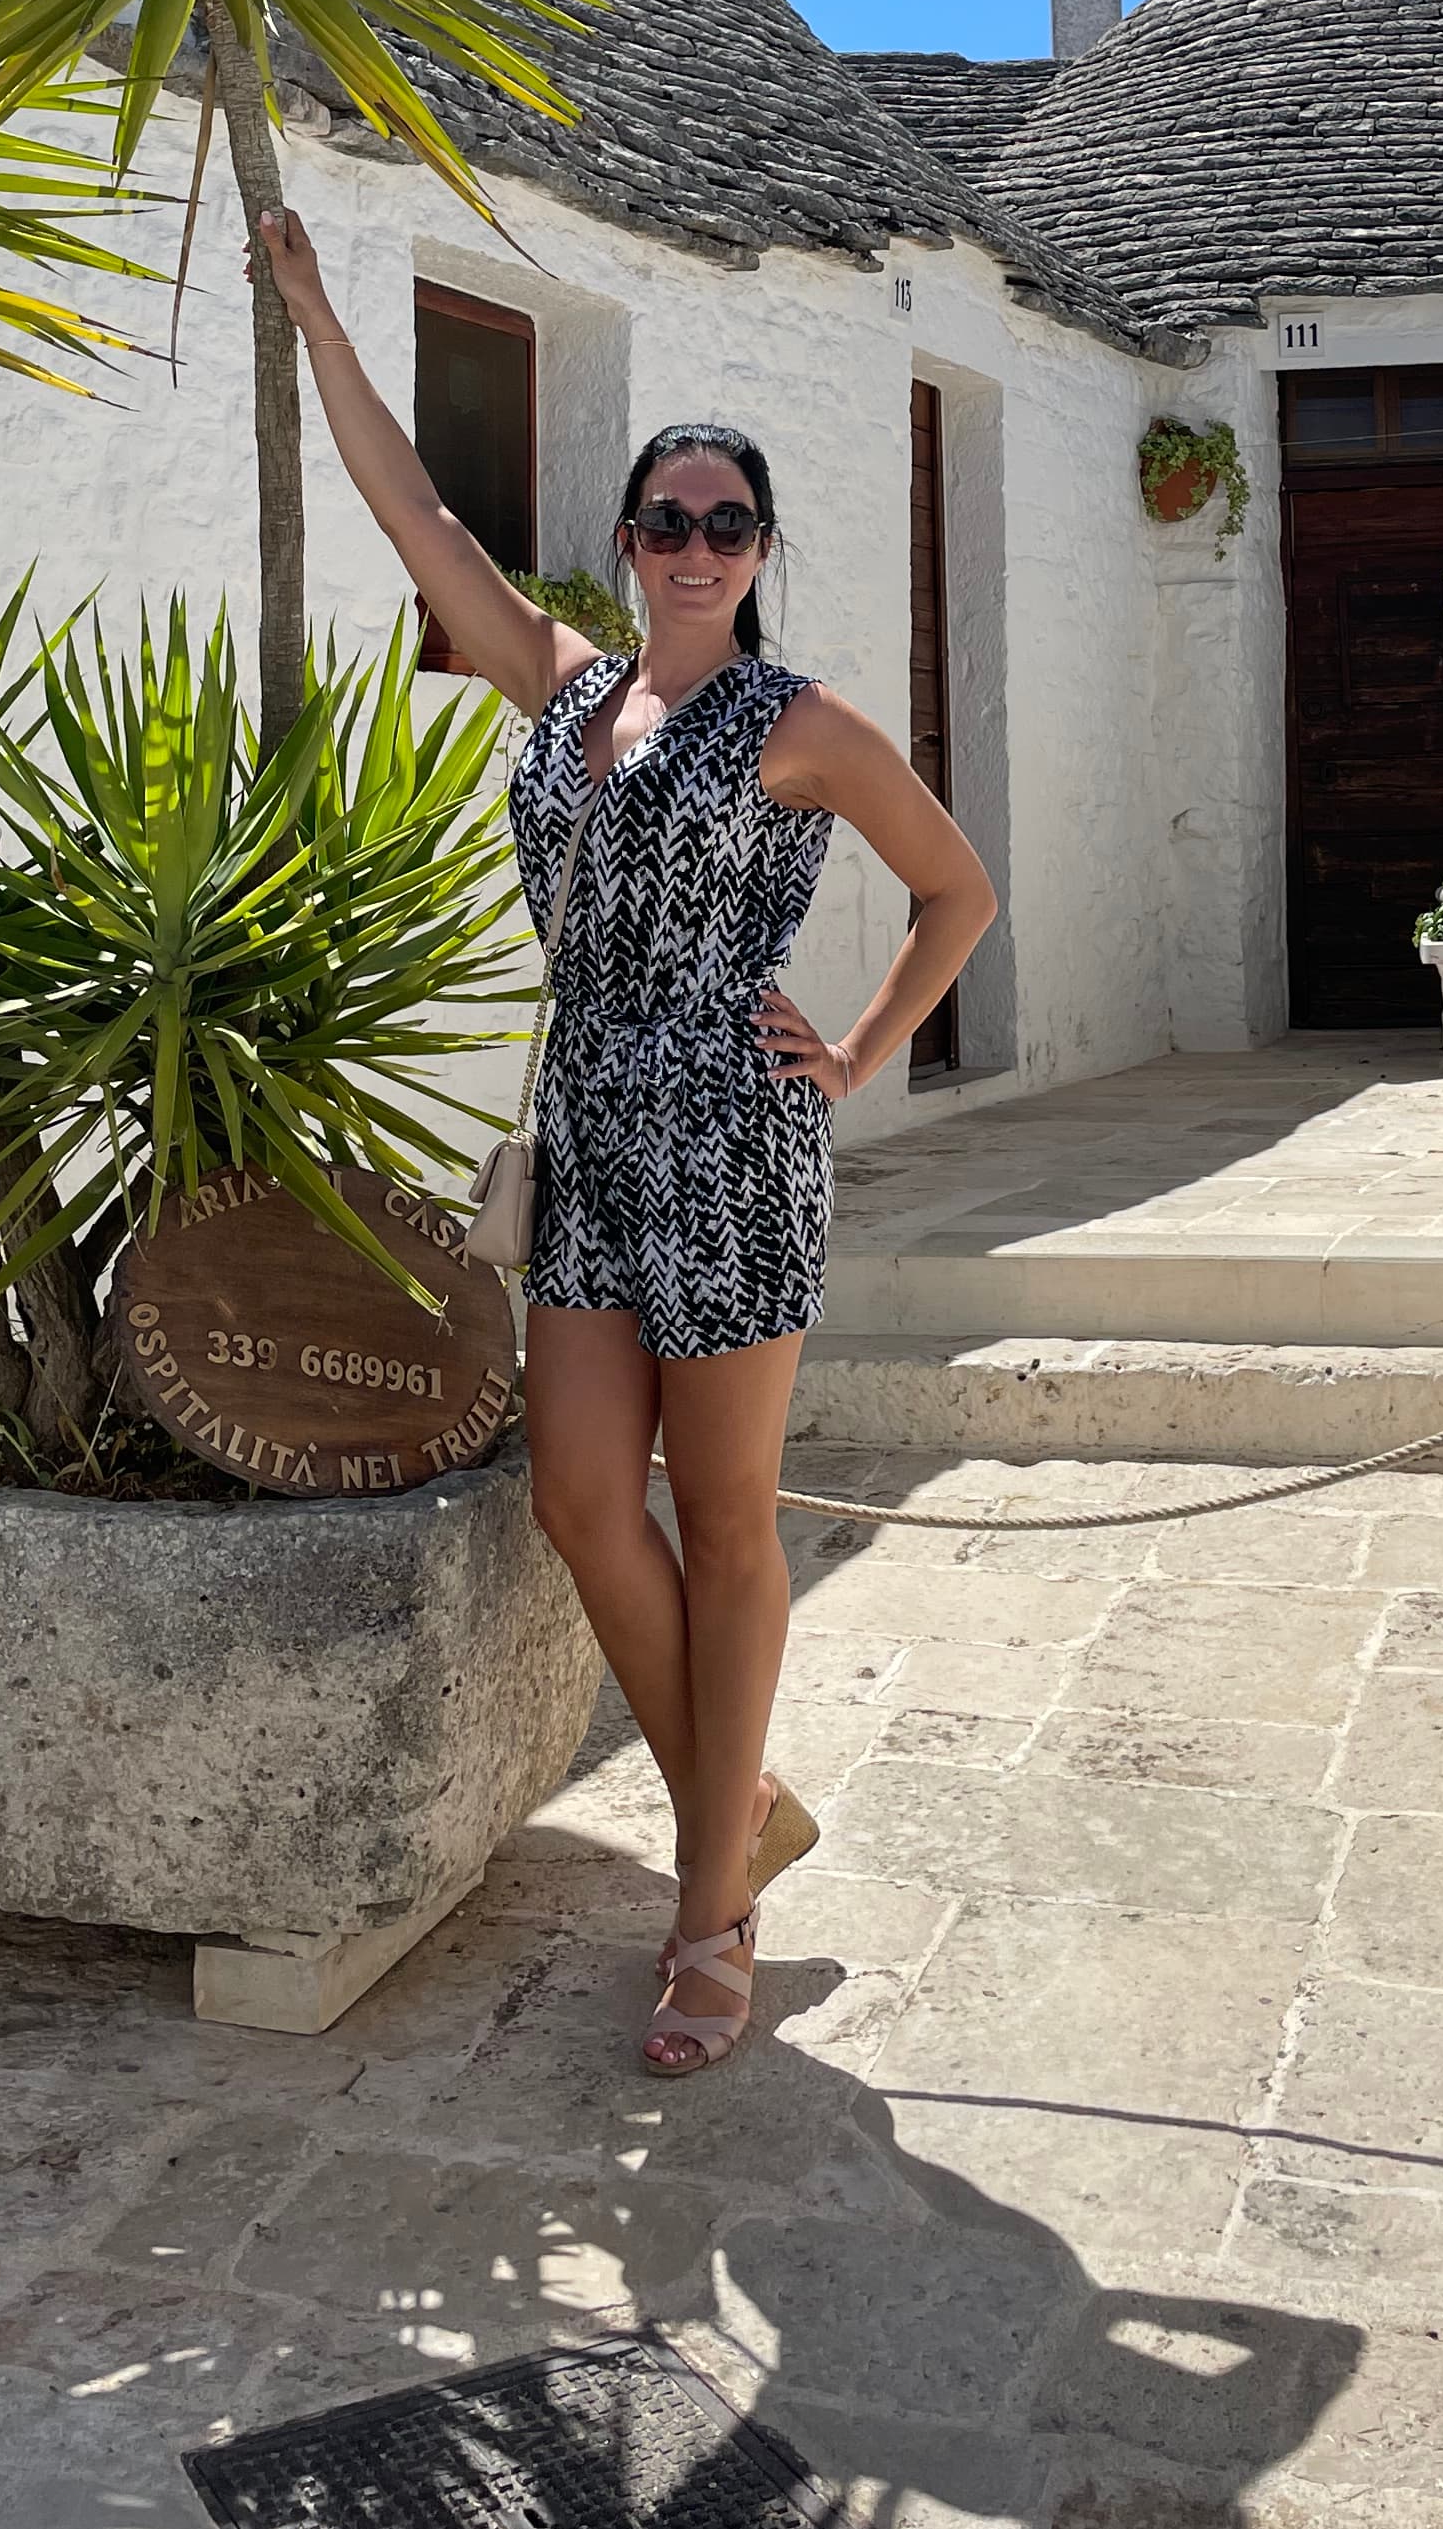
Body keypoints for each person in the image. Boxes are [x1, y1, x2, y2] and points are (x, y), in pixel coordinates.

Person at [254, 210, 996, 2072]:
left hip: (734, 1150)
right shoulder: (568, 684)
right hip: (586, 1133)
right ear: (623, 544)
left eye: (724, 524)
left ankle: (709, 1915)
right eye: (662, 521)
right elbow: (414, 515)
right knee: (582, 1499)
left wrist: (860, 1056)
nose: (691, 548)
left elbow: (957, 890)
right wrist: (318, 317)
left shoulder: (796, 720)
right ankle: (733, 1804)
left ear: (760, 553)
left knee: (729, 1529)